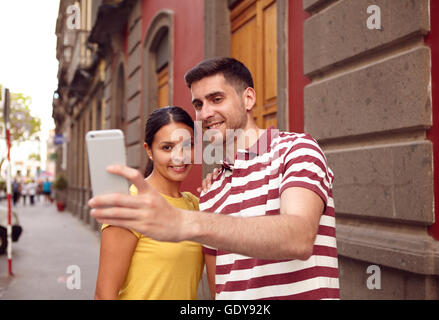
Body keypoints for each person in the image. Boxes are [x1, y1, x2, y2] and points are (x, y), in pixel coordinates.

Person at [89, 57, 340, 300]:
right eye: (198, 104)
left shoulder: (296, 149)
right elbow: (218, 291)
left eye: (216, 99)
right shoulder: (211, 191)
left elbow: (298, 238)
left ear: (248, 98)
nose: (205, 113)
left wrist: (185, 222)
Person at [94, 106, 204, 300]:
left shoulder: (195, 205)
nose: (179, 156)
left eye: (188, 145)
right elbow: (104, 294)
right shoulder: (129, 206)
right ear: (149, 150)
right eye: (167, 147)